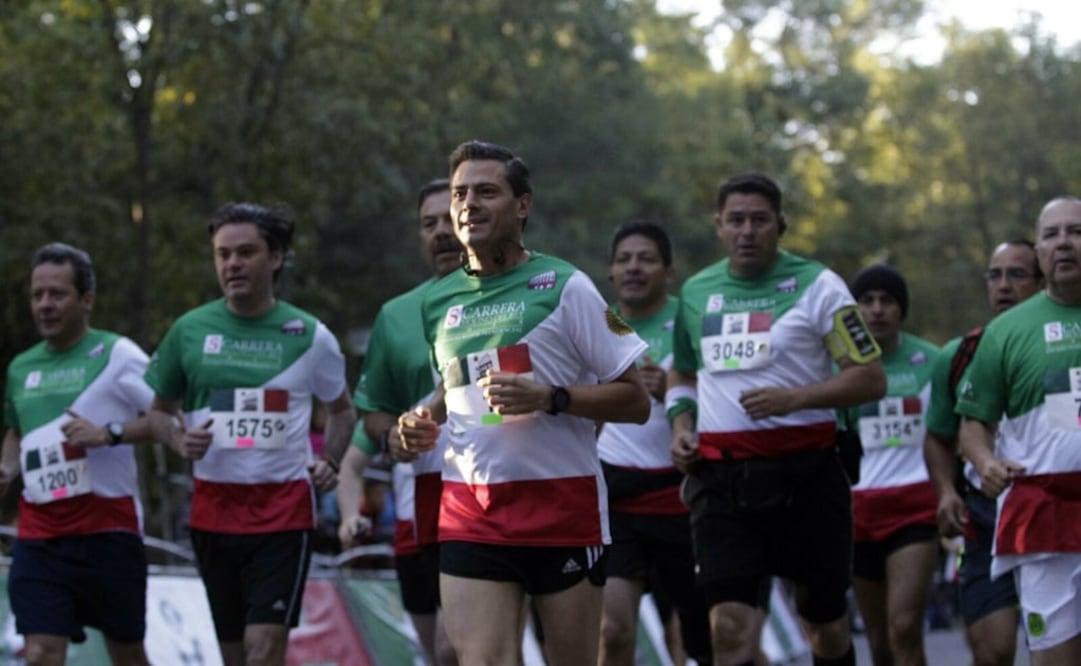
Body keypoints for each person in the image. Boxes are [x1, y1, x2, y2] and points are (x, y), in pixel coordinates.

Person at [398, 140, 651, 666]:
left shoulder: (569, 286)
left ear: (522, 206)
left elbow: (636, 400)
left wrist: (551, 397)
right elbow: (452, 386)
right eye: (460, 193)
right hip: (470, 510)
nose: (469, 204)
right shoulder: (438, 301)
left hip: (562, 509)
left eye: (486, 192)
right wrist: (420, 422)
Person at [668, 172, 886, 666]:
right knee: (728, 628)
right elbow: (681, 372)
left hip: (806, 477)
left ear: (780, 225)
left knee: (825, 627)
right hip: (721, 481)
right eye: (736, 220)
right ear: (719, 225)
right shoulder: (698, 291)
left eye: (759, 220)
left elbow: (870, 378)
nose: (747, 231)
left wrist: (796, 399)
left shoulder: (820, 286)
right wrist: (681, 427)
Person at [144, 202, 356, 666]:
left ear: (275, 257)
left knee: (263, 648)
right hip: (212, 513)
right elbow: (158, 413)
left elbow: (342, 411)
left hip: (283, 513)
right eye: (223, 254)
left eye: (245, 252)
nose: (232, 264)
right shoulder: (189, 331)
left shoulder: (310, 335)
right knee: (235, 654)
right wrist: (178, 439)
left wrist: (331, 461)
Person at [1, 243, 155, 666]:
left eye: (57, 294)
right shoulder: (21, 368)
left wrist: (109, 434)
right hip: (40, 535)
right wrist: (6, 468)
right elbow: (17, 430)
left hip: (108, 530)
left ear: (86, 300)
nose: (45, 305)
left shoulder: (118, 354)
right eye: (37, 295)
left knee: (127, 655)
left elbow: (168, 420)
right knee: (39, 654)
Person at [337, 177, 461, 665]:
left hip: (499, 494)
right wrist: (392, 435)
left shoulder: (523, 293)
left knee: (458, 648)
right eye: (428, 224)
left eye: (449, 219)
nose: (440, 232)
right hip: (420, 507)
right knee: (439, 653)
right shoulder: (396, 315)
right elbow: (370, 418)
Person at [957, 196, 1081, 666]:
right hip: (1043, 518)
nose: (1064, 243)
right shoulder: (1006, 331)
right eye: (1051, 234)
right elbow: (974, 421)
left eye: (1076, 232)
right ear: (1040, 252)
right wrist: (985, 461)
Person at [596, 220, 715, 666]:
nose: (633, 267)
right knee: (612, 631)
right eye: (624, 259)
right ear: (610, 272)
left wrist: (672, 391)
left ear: (668, 272)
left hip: (683, 494)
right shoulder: (601, 324)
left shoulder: (693, 318)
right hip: (617, 496)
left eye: (646, 259)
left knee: (696, 637)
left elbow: (729, 396)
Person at [923, 239, 1042, 666]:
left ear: (1042, 281)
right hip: (986, 516)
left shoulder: (1062, 343)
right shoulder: (958, 356)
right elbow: (938, 437)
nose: (1003, 286)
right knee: (992, 652)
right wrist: (945, 492)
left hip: (1054, 508)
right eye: (995, 275)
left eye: (1017, 274)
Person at [847, 263, 941, 666]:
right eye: (866, 301)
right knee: (880, 642)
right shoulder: (839, 366)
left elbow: (947, 434)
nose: (877, 310)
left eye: (887, 300)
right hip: (856, 513)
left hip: (914, 509)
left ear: (901, 309)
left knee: (904, 627)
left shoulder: (931, 360)